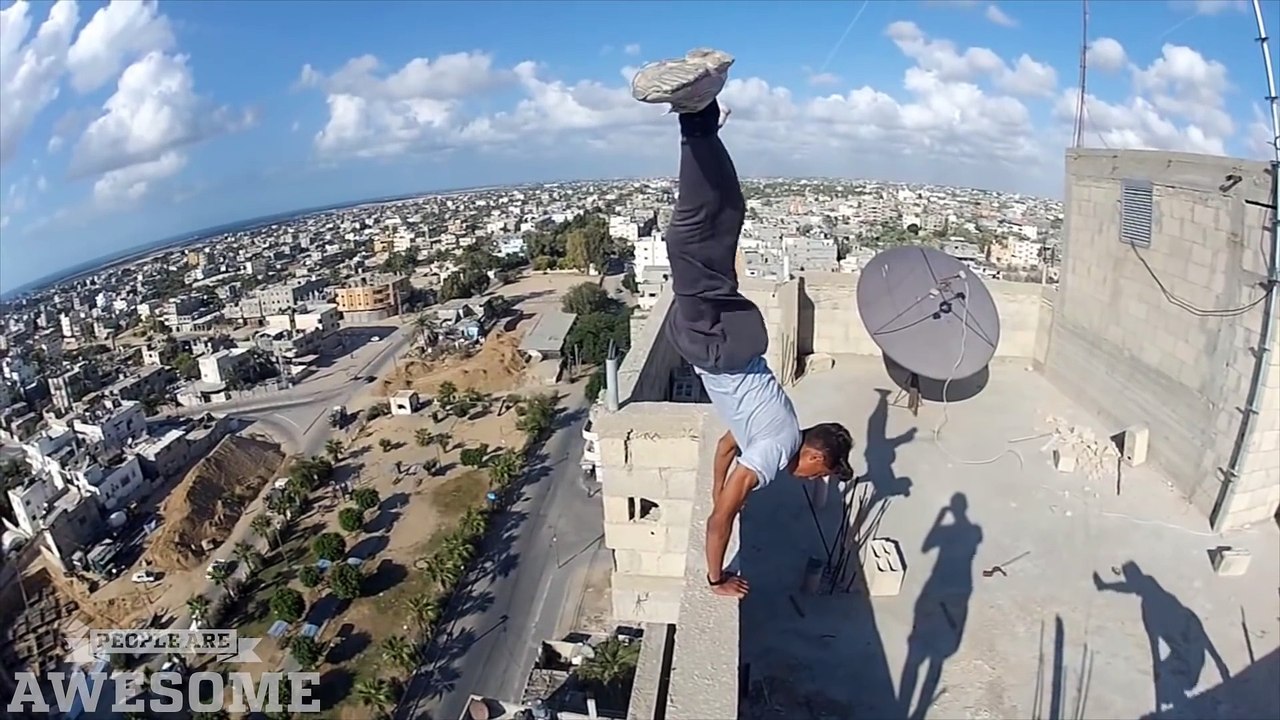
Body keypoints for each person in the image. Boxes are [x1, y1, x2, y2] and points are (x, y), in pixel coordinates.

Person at [632, 49, 855, 599]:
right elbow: (721, 521)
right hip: (715, 345)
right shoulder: (776, 452)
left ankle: (699, 114)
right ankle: (697, 113)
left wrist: (720, 490)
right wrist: (716, 577)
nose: (817, 480)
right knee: (700, 232)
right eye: (823, 473)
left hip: (726, 341)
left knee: (711, 227)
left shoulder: (782, 427)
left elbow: (726, 446)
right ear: (814, 458)